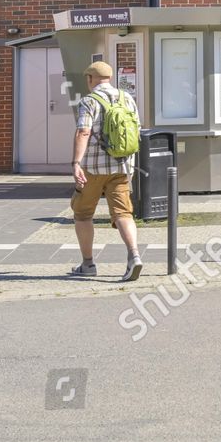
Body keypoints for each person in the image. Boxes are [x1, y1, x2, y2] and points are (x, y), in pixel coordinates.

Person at [69, 61, 142, 281]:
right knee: (123, 213)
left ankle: (88, 264)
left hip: (92, 169)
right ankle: (134, 256)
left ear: (90, 79)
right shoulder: (127, 98)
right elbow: (136, 129)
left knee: (82, 214)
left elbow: (83, 131)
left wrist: (75, 163)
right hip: (121, 166)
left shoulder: (89, 101)